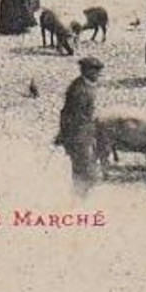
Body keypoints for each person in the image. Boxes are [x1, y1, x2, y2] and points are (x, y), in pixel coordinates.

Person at [54, 57, 103, 195]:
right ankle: (79, 199)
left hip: (84, 133)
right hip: (78, 135)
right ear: (86, 71)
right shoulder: (79, 90)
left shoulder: (86, 85)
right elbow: (72, 115)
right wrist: (64, 133)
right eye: (95, 71)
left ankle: (80, 195)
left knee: (85, 169)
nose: (98, 75)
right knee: (84, 169)